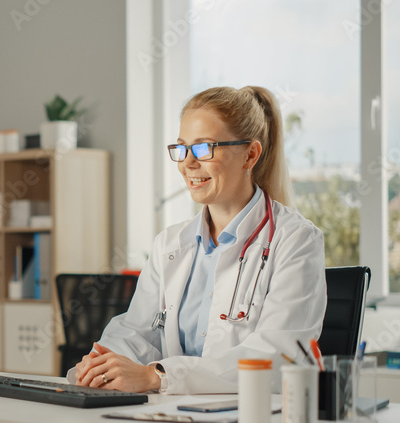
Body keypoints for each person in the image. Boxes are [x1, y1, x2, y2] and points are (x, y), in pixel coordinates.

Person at [71, 86, 327, 395]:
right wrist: (103, 364)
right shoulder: (169, 244)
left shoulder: (296, 240)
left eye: (204, 148)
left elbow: (277, 355)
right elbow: (136, 331)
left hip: (252, 422)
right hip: (177, 418)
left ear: (250, 154)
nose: (188, 163)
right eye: (181, 148)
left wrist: (159, 378)